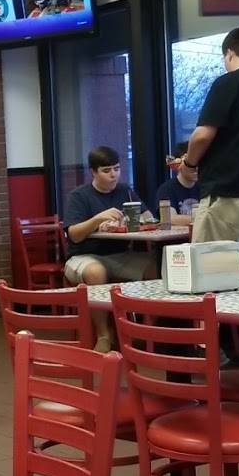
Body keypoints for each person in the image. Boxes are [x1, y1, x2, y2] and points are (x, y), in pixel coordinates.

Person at [64, 144, 156, 348]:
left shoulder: (125, 191)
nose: (113, 174)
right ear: (93, 172)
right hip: (83, 256)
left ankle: (151, 329)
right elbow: (74, 235)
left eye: (117, 168)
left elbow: (148, 217)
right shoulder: (80, 196)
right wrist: (98, 219)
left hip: (121, 254)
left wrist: (132, 221)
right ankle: (104, 335)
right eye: (107, 170)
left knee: (157, 267)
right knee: (96, 272)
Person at [181, 26, 239, 261]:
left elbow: (202, 135)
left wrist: (189, 164)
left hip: (227, 194)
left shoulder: (228, 83)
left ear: (230, 53)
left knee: (211, 272)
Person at [156, 144, 200, 221]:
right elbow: (169, 218)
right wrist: (201, 219)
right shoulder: (166, 189)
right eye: (191, 163)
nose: (196, 167)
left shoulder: (206, 187)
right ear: (177, 165)